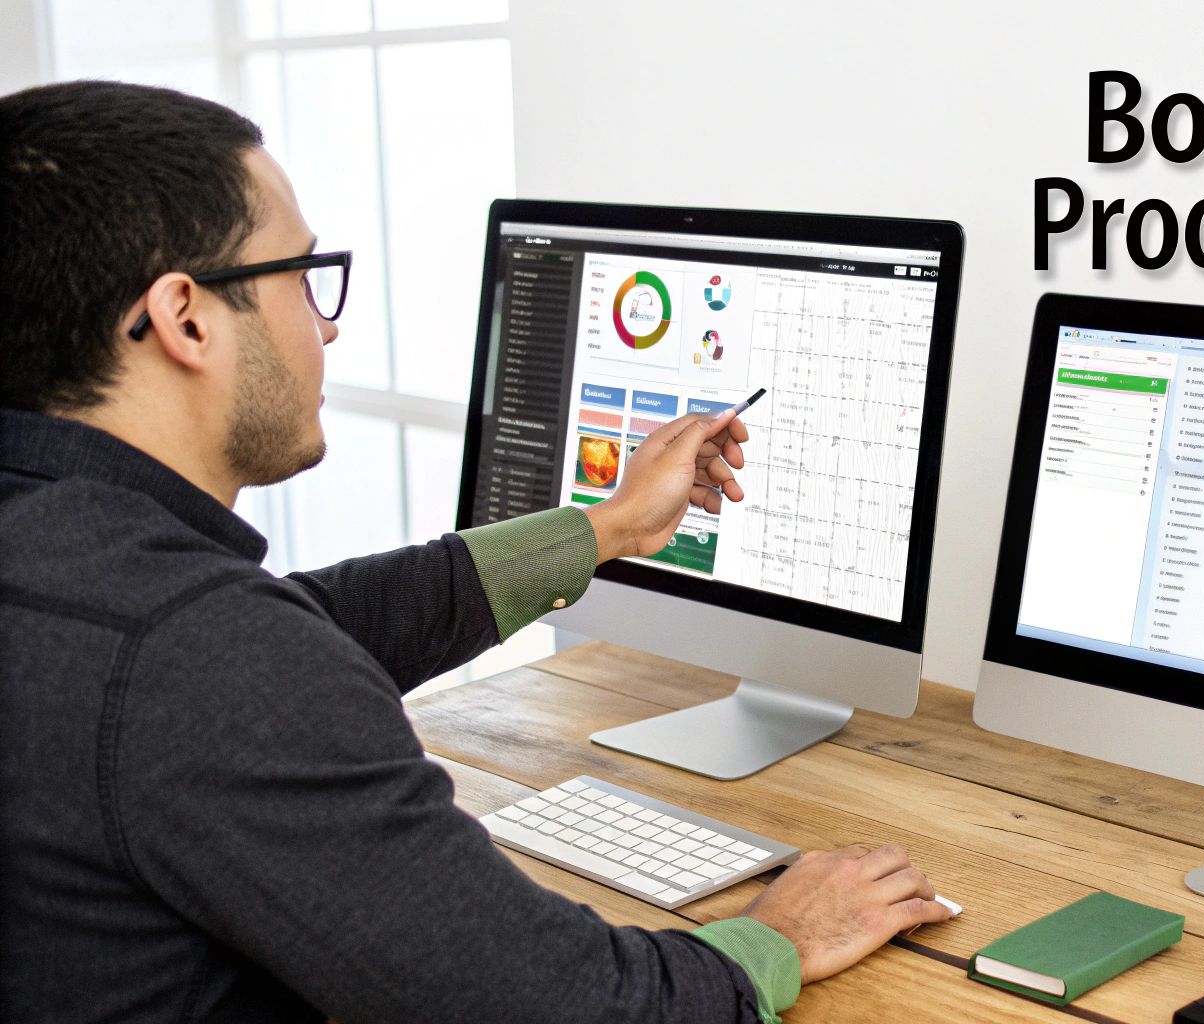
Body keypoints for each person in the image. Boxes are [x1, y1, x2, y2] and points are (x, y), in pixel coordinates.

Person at [0, 80, 951, 1023]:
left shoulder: (86, 574)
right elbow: (568, 1007)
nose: (326, 323)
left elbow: (298, 629)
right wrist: (777, 939)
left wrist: (608, 527)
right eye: (300, 276)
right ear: (186, 318)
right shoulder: (198, 657)